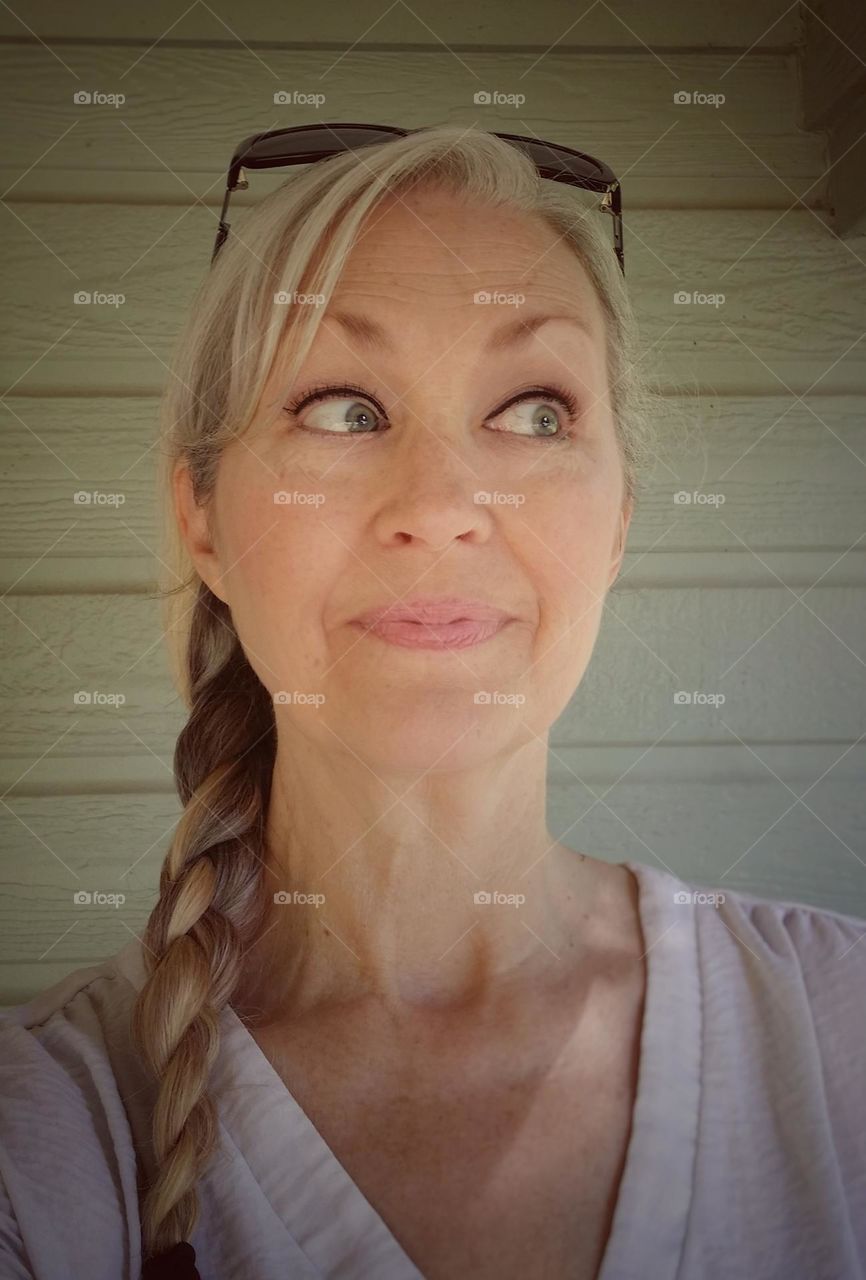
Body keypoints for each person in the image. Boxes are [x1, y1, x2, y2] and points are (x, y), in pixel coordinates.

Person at [1, 125, 864, 1280]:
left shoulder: (836, 1024)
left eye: (535, 412)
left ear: (614, 523)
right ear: (202, 517)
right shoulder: (48, 1130)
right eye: (344, 407)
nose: (442, 501)